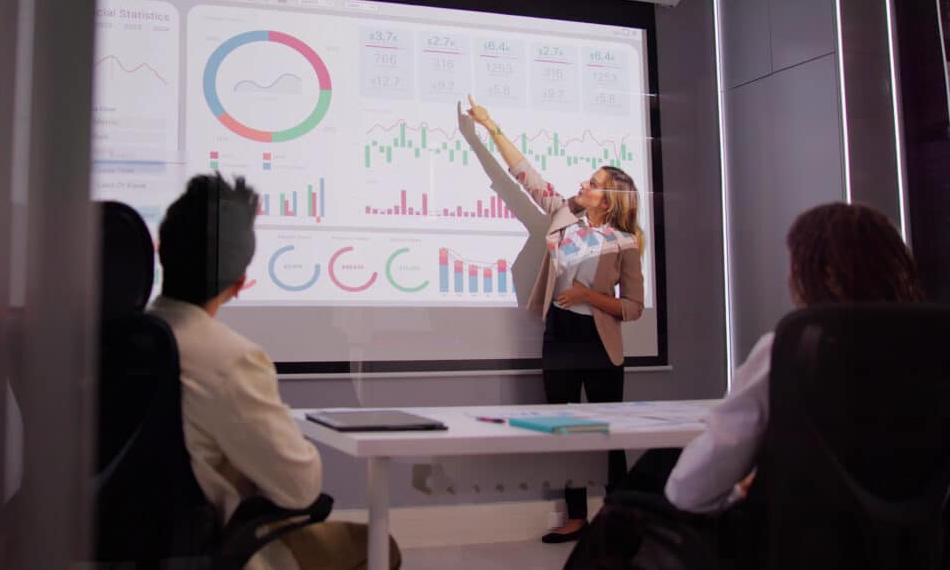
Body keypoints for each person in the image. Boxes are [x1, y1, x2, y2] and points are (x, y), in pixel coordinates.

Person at [149, 173, 400, 570]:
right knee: (380, 548)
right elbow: (300, 488)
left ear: (160, 252)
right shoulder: (231, 360)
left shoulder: (113, 344)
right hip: (216, 548)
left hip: (119, 549)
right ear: (241, 283)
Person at [461, 95, 645, 543]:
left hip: (599, 341)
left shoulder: (624, 242)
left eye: (594, 182)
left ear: (609, 200)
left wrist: (589, 295)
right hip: (559, 336)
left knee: (607, 433)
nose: (584, 183)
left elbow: (634, 308)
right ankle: (577, 518)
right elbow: (521, 173)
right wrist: (489, 125)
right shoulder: (562, 213)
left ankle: (617, 523)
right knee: (564, 431)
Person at [664, 201, 924, 512]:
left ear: (824, 275)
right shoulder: (928, 352)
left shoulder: (793, 350)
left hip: (805, 542)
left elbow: (689, 490)